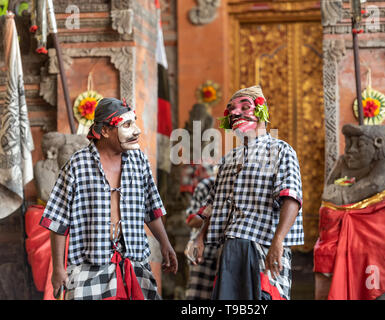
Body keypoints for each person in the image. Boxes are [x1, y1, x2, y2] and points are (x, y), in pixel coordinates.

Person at [39, 97, 177, 300]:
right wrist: (59, 269)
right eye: (127, 125)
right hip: (89, 268)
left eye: (135, 123)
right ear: (104, 131)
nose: (136, 131)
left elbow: (152, 209)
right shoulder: (78, 165)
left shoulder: (139, 162)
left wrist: (165, 244)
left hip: (134, 264)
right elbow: (58, 221)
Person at [194, 85, 303, 300]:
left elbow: (291, 198)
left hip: (262, 246)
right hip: (229, 248)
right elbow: (214, 204)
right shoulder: (228, 160)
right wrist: (199, 238)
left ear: (262, 112)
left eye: (245, 107)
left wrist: (278, 241)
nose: (236, 113)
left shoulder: (281, 150)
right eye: (231, 109)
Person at [314, 124, 385, 300]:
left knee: (376, 248)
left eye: (359, 145)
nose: (350, 150)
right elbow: (327, 193)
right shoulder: (343, 161)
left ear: (378, 143)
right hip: (341, 224)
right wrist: (344, 198)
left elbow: (375, 184)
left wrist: (343, 195)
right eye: (348, 143)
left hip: (376, 225)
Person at [184, 171, 217, 300]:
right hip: (203, 253)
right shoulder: (206, 186)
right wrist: (215, 213)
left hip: (226, 252)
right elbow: (191, 221)